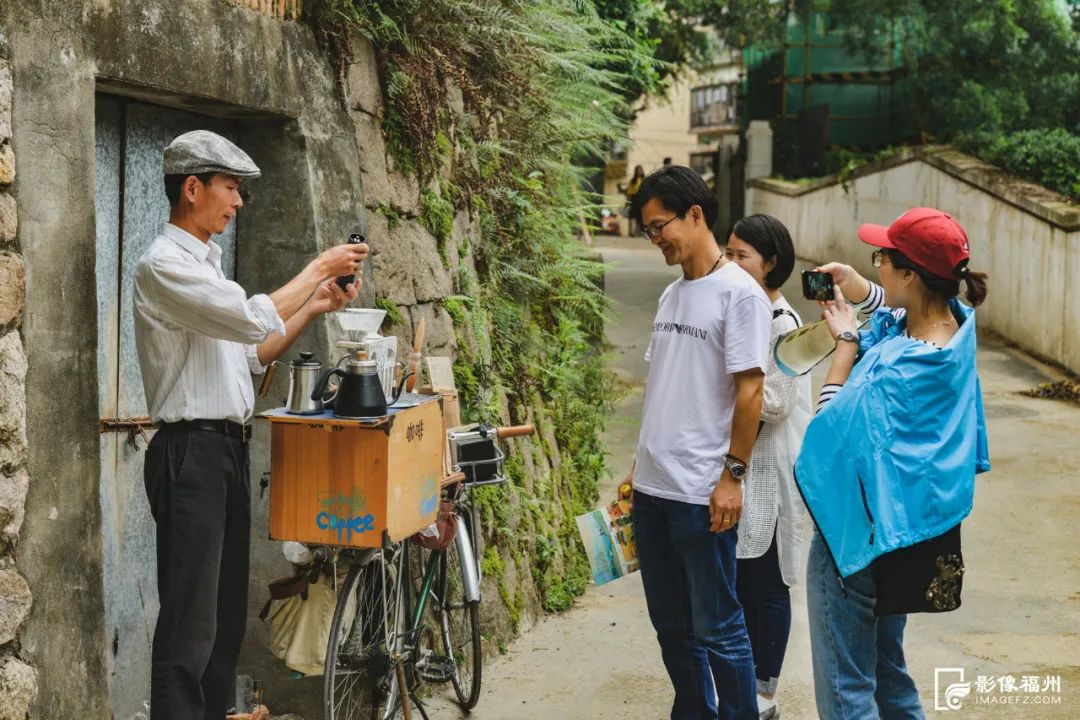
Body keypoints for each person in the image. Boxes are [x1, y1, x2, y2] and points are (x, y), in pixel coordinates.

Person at [133, 130, 370, 719]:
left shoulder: (210, 271)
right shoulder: (163, 265)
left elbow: (251, 351)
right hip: (190, 453)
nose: (238, 203)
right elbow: (246, 319)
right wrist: (317, 265)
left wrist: (314, 303)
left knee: (222, 621)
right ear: (193, 188)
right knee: (190, 624)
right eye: (231, 188)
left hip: (226, 453)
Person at [795, 207, 991, 718]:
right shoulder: (956, 329)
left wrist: (845, 347)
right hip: (908, 532)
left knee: (848, 689)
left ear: (909, 274)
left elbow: (827, 434)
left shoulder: (892, 368)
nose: (875, 263)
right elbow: (902, 316)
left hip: (857, 542)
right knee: (888, 672)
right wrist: (863, 289)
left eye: (881, 257)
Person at [625, 166, 772, 720]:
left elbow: (751, 390)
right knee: (671, 625)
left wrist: (732, 477)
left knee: (719, 626)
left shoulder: (739, 295)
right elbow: (666, 388)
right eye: (648, 230)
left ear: (695, 214)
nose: (656, 238)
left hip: (701, 492)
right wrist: (638, 467)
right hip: (653, 488)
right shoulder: (671, 295)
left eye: (660, 226)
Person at [724, 215, 812, 720]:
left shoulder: (783, 324)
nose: (732, 264)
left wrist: (730, 393)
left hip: (770, 475)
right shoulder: (742, 311)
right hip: (738, 467)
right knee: (735, 581)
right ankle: (739, 685)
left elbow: (775, 401)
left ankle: (765, 692)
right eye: (728, 254)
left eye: (743, 256)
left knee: (767, 585)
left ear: (771, 262)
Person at [621, 164, 646, 236]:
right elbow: (629, 192)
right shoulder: (632, 181)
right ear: (635, 171)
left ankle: (643, 232)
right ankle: (632, 232)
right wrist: (627, 202)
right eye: (637, 170)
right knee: (632, 216)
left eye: (640, 170)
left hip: (642, 199)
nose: (639, 172)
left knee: (642, 216)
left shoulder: (645, 180)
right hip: (634, 199)